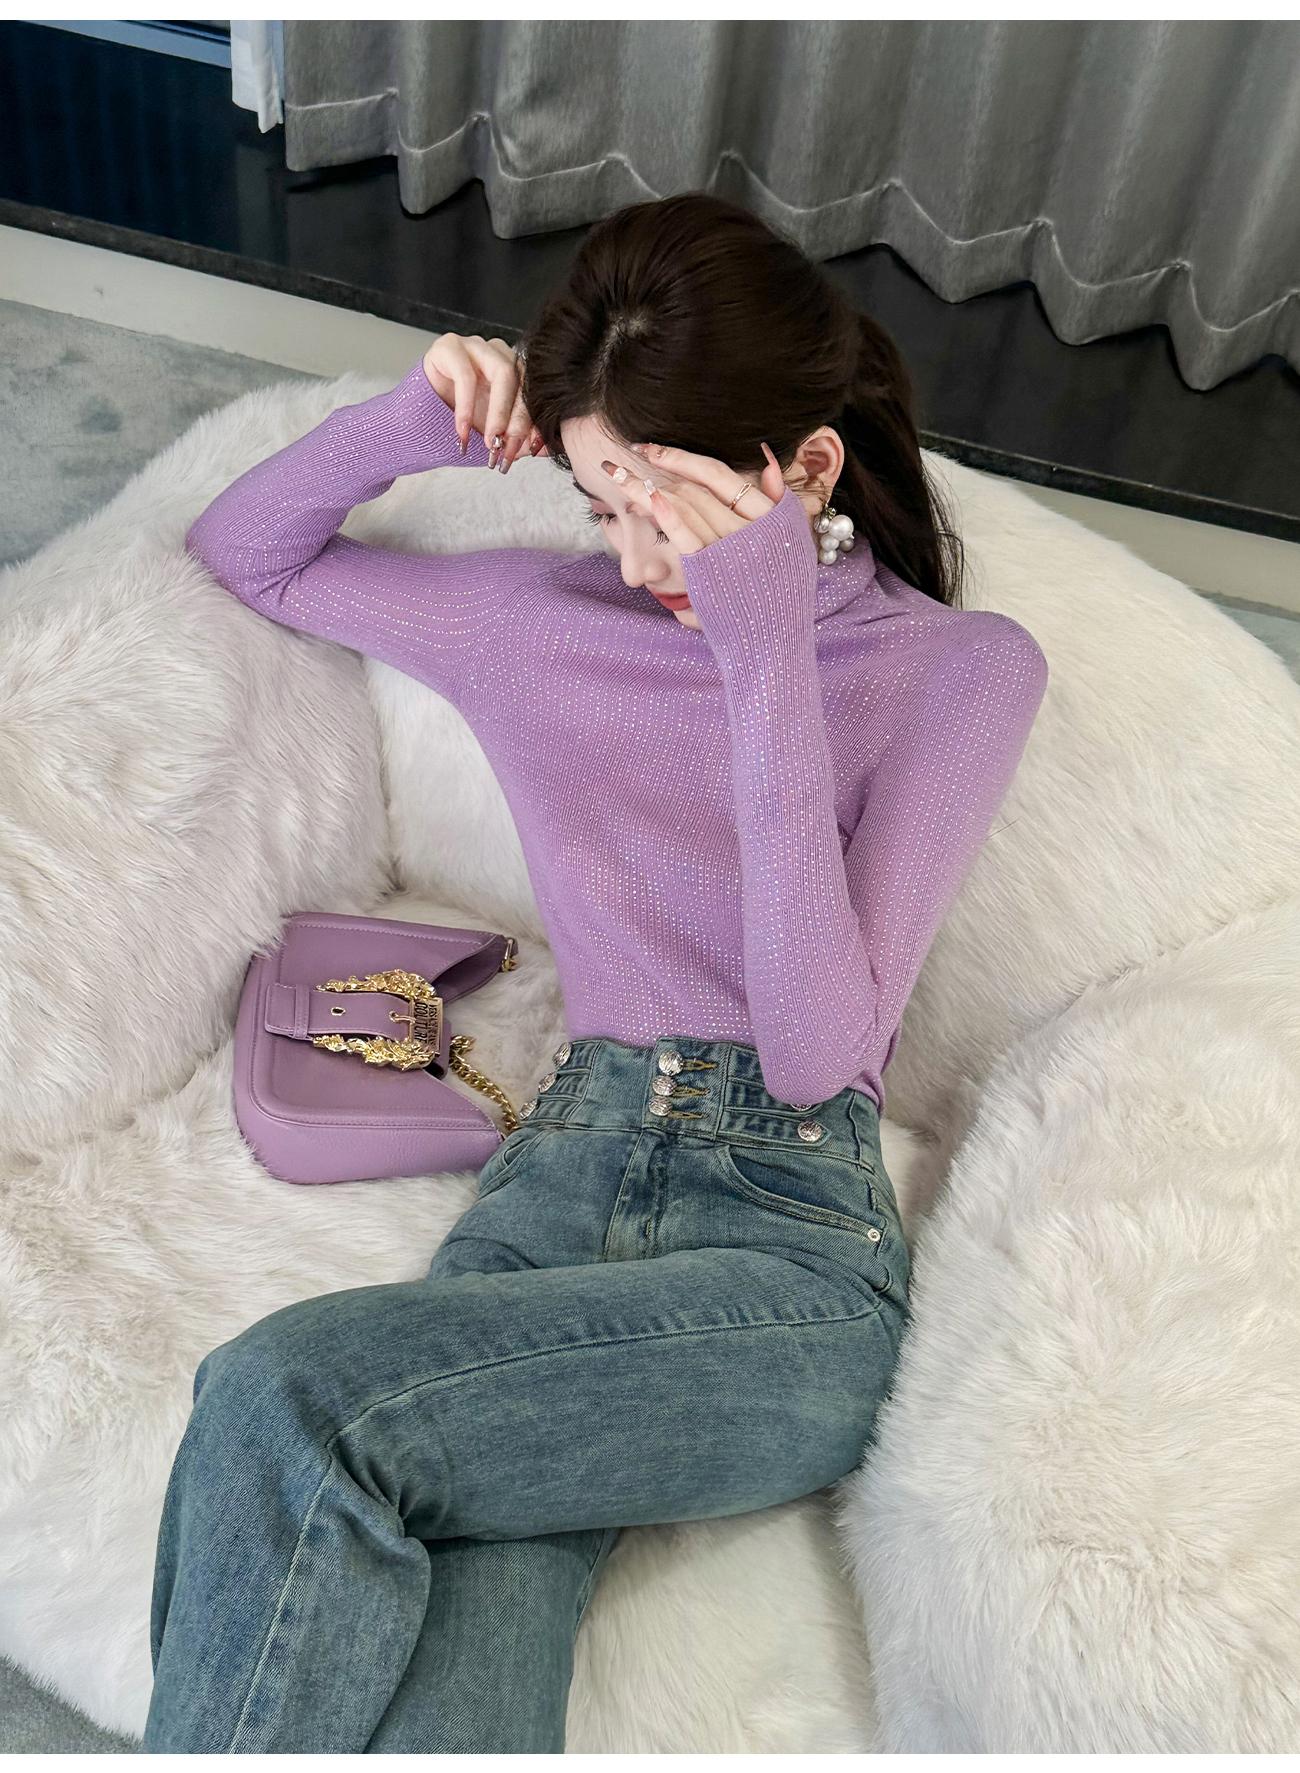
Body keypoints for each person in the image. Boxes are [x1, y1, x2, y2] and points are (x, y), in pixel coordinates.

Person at [143, 190, 1048, 1753]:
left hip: (786, 1248)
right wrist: (410, 423)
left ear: (803, 469)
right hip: (551, 1192)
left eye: (664, 506)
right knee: (456, 1663)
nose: (631, 559)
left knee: (289, 1396)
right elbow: (247, 552)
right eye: (598, 502)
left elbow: (817, 1049)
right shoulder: (535, 624)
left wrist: (765, 656)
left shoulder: (958, 671)